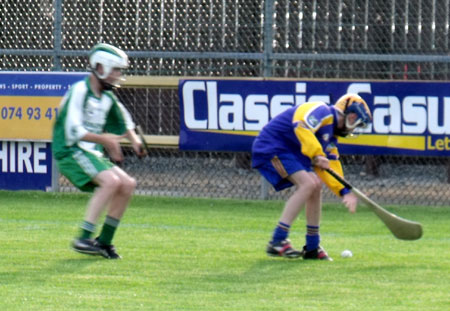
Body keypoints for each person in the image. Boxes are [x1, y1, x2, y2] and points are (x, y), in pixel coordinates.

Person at [251, 93, 372, 261]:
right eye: (355, 120)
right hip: (272, 147)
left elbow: (332, 166)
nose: (354, 127)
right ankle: (277, 240)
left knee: (316, 186)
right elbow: (301, 125)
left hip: (289, 153)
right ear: (348, 113)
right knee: (308, 184)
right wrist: (316, 154)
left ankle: (313, 247)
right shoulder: (322, 111)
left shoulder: (331, 137)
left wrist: (344, 191)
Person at [52, 43, 145, 259]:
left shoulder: (106, 97)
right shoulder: (80, 91)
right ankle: (83, 237)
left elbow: (124, 120)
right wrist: (105, 140)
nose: (118, 75)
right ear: (100, 67)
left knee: (127, 184)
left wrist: (135, 141)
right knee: (111, 182)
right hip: (71, 150)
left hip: (89, 152)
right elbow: (73, 131)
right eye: (115, 70)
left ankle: (104, 242)